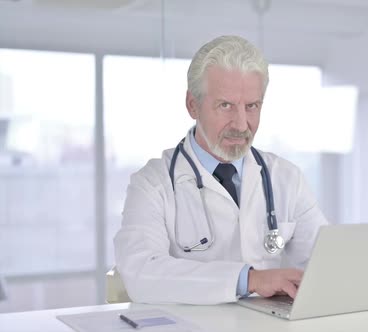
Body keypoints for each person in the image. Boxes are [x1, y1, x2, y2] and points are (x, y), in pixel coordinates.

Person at [114, 35, 329, 305]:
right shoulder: (153, 183)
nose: (241, 124)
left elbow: (326, 267)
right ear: (193, 105)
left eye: (252, 106)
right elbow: (141, 272)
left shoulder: (286, 178)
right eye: (225, 105)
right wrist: (249, 279)